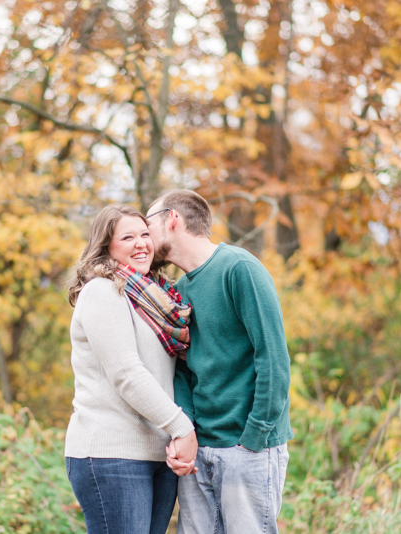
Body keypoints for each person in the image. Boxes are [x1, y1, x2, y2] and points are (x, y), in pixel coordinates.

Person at [146, 190, 293, 534]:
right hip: (200, 450)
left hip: (248, 446)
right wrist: (187, 433)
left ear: (172, 219)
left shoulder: (239, 269)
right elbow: (182, 370)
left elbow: (273, 359)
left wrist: (255, 437)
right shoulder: (179, 288)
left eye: (148, 223)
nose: (144, 236)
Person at [64, 204, 199, 534]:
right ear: (106, 246)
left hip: (157, 453)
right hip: (111, 454)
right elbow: (126, 373)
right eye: (127, 237)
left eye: (144, 235)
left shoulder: (155, 299)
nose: (141, 243)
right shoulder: (102, 291)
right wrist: (182, 428)